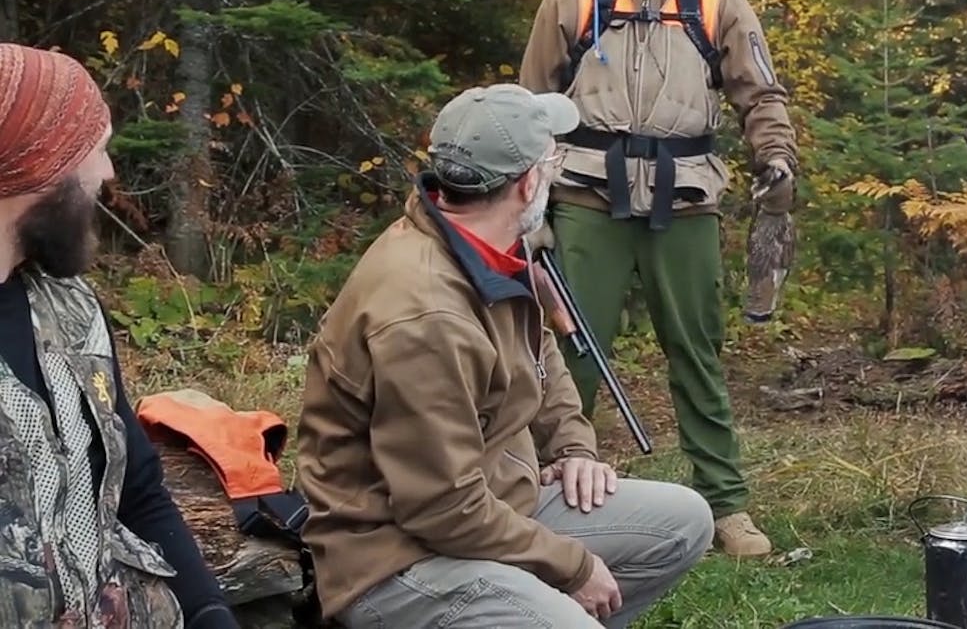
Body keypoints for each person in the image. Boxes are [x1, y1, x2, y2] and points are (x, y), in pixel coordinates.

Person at [295, 83, 715, 628]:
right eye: (553, 158)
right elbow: (440, 506)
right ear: (527, 182)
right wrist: (571, 567)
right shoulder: (424, 314)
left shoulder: (496, 244)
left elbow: (540, 349)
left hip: (493, 507)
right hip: (395, 555)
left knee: (684, 521)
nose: (556, 168)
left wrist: (572, 446)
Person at [518, 0, 799, 558]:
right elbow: (527, 105)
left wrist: (776, 158)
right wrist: (524, 205)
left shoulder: (717, 1)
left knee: (696, 352)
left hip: (687, 198)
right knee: (569, 348)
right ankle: (533, 490)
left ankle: (725, 505)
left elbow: (760, 94)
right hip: (585, 196)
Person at [0, 43, 239, 628]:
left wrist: (210, 612)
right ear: (42, 167)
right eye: (97, 152)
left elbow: (137, 488)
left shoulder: (68, 308)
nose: (108, 175)